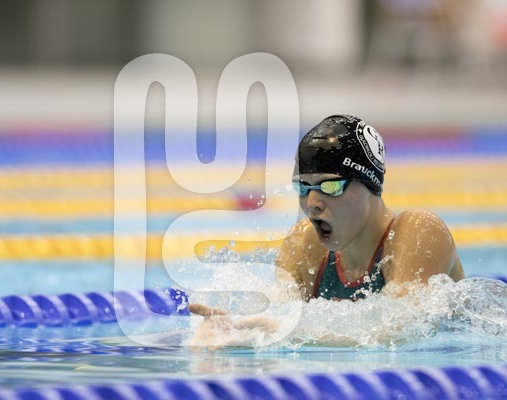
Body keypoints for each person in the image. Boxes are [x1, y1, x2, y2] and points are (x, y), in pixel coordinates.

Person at [188, 114, 465, 344]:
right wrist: (234, 332)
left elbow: (401, 328)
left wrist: (285, 332)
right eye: (303, 188)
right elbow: (276, 314)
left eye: (330, 186)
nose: (312, 203)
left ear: (369, 184)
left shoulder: (418, 231)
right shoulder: (304, 244)